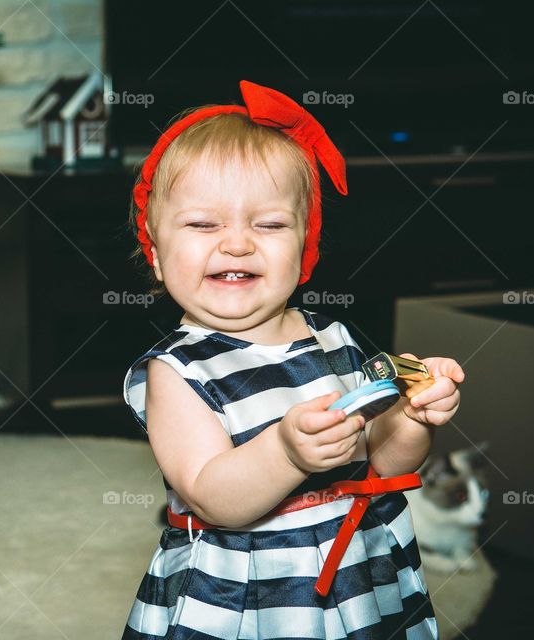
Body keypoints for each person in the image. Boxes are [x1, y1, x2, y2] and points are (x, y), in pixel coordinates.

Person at [121, 80, 464, 640]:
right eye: (204, 224)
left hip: (359, 567)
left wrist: (411, 418)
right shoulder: (177, 372)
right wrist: (285, 451)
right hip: (253, 594)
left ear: (304, 250)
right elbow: (216, 496)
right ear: (156, 255)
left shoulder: (334, 339)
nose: (236, 243)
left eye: (270, 224)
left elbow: (387, 465)